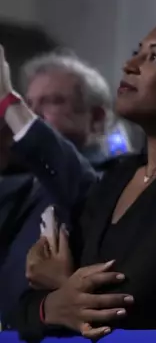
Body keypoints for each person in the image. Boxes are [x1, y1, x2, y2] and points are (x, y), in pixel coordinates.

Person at [2, 9, 156, 340]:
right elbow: (23, 310)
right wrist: (53, 303)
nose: (129, 65)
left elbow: (132, 303)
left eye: (155, 59)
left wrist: (60, 287)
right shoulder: (121, 174)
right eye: (137, 52)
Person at [0, 52, 117, 325]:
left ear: (96, 118)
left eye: (52, 101)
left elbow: (76, 179)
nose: (32, 112)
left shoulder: (115, 177)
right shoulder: (21, 185)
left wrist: (8, 101)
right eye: (28, 103)